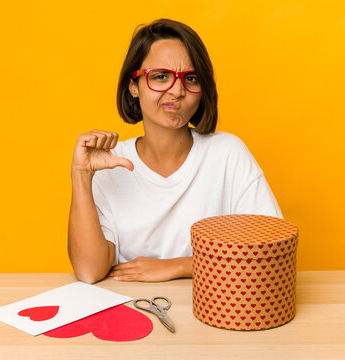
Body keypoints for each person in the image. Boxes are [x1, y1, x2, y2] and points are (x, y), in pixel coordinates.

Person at [68, 19, 283, 284]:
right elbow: (90, 272)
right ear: (133, 86)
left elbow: (271, 255)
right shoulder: (110, 164)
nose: (178, 91)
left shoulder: (227, 153)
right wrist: (81, 175)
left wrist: (181, 266)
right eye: (160, 77)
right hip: (132, 311)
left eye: (190, 79)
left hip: (211, 311)